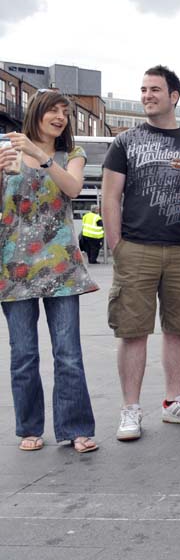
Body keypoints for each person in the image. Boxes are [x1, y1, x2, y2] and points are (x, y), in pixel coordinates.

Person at [102, 65, 180, 441]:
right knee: (132, 331)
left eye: (155, 89)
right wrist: (116, 244)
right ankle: (130, 410)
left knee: (178, 328)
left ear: (174, 97)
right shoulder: (124, 142)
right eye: (144, 89)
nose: (147, 95)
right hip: (136, 247)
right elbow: (110, 196)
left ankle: (173, 402)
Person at [0, 90, 99, 453]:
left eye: (65, 112)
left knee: (68, 351)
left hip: (61, 268)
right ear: (36, 113)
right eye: (53, 110)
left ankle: (76, 428)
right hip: (14, 267)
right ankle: (29, 427)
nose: (60, 117)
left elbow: (72, 188)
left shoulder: (70, 155)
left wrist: (41, 156)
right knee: (23, 353)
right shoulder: (7, 147)